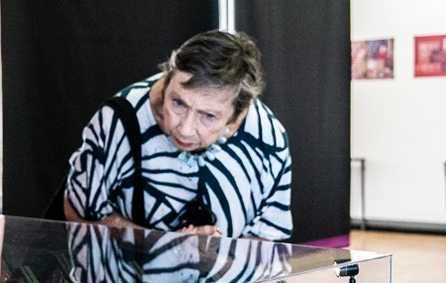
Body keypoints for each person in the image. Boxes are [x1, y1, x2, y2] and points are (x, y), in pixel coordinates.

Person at [63, 30, 292, 241]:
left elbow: (269, 241)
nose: (184, 128)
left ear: (237, 118)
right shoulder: (119, 120)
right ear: (167, 78)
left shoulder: (268, 141)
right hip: (128, 282)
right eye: (178, 102)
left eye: (208, 116)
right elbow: (75, 209)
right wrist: (160, 245)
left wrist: (221, 256)